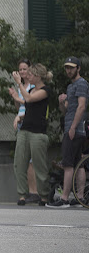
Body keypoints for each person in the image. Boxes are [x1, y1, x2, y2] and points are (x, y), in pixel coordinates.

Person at [47, 57, 88, 208]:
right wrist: (60, 102)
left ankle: (64, 198)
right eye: (67, 68)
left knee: (68, 164)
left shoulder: (82, 84)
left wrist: (73, 127)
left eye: (71, 67)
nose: (68, 70)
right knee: (78, 163)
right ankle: (80, 198)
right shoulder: (71, 87)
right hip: (73, 127)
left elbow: (82, 106)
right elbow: (66, 110)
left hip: (74, 129)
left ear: (78, 68)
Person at [11, 63, 52, 206]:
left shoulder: (45, 90)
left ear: (38, 76)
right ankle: (22, 194)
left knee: (39, 165)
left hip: (38, 133)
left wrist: (19, 83)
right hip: (25, 130)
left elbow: (29, 99)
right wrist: (19, 112)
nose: (28, 76)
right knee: (20, 163)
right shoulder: (32, 90)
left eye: (31, 74)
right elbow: (27, 105)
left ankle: (44, 195)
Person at [9, 58, 39, 203]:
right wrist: (15, 97)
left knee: (31, 160)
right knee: (22, 160)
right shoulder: (21, 86)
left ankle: (34, 191)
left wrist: (18, 94)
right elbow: (19, 106)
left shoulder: (33, 86)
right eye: (20, 69)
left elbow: (30, 103)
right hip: (21, 120)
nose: (22, 72)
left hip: (29, 121)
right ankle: (24, 193)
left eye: (24, 69)